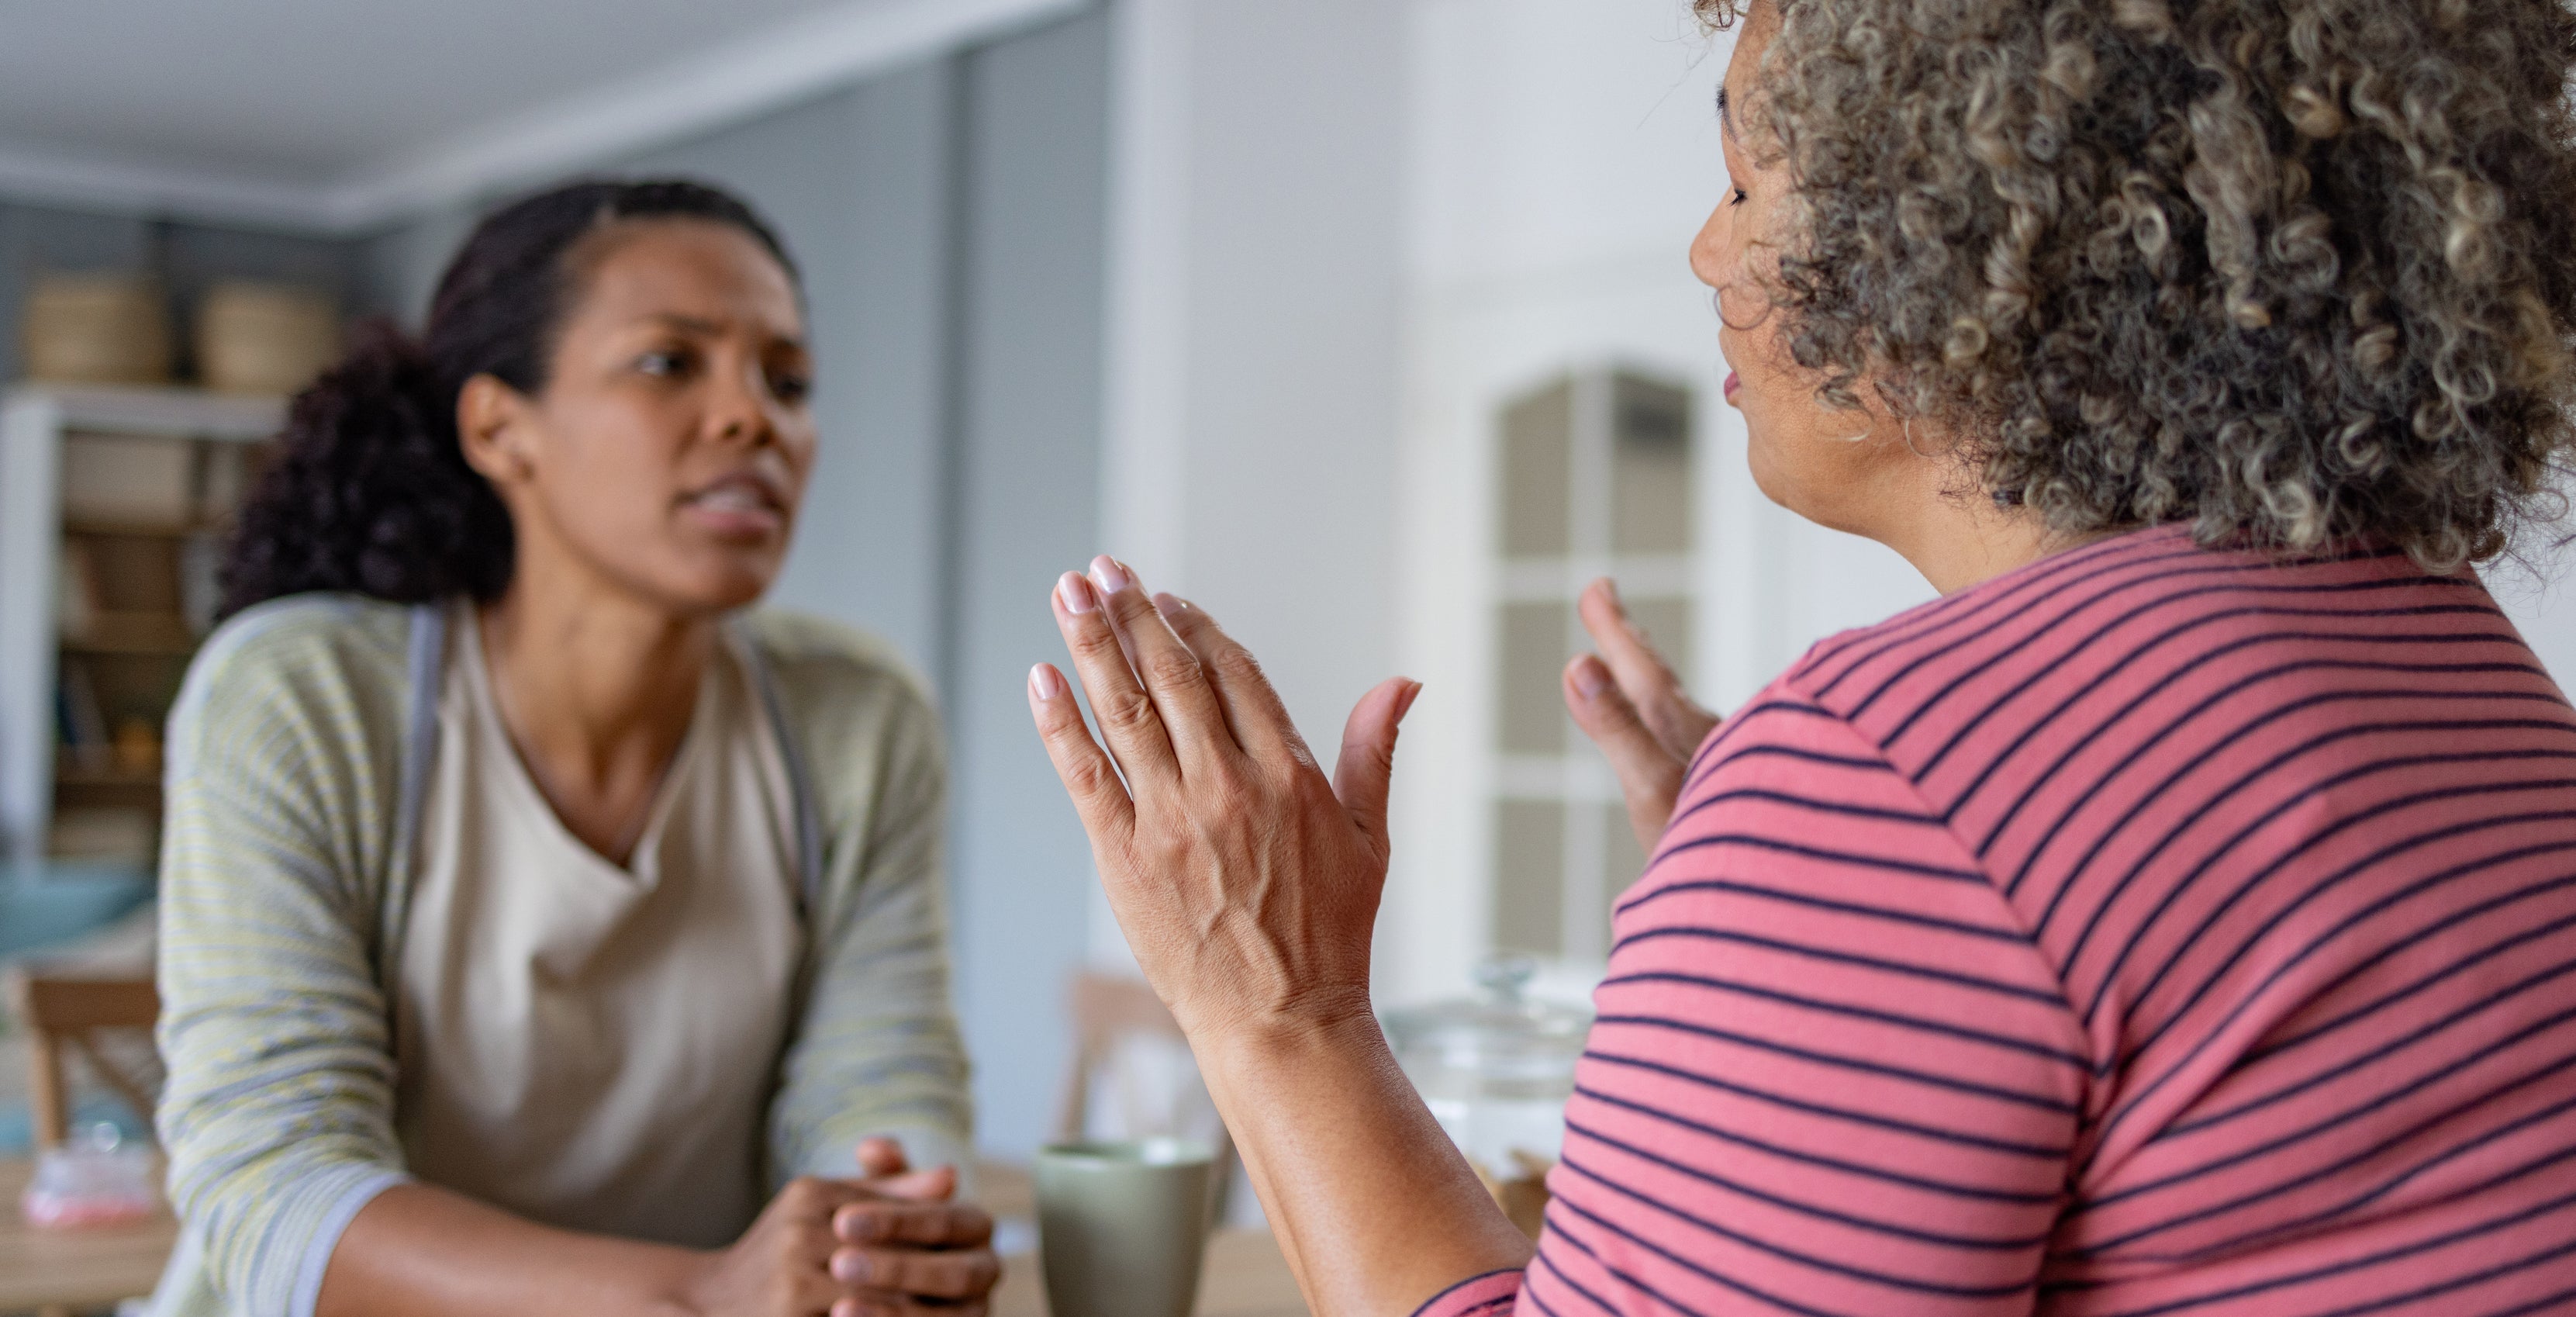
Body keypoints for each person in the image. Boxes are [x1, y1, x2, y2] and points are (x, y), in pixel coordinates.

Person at [1026, 0, 2576, 1312]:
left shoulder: (1901, 775)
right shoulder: (2471, 678)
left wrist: (1275, 1009)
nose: (1706, 251)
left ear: (1955, 233)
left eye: (1745, 180)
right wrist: (1820, 903)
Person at [151, 180, 997, 1317]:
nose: (753, 418)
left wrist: (879, 1244)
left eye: (787, 380)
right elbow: (276, 1185)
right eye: (669, 363)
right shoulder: (301, 698)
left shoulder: (856, 716)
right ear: (501, 428)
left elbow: (878, 1080)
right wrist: (702, 1295)